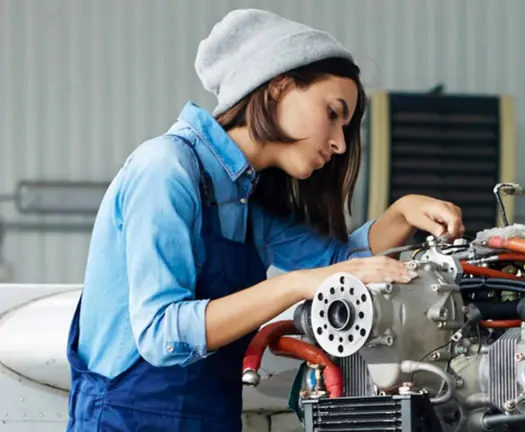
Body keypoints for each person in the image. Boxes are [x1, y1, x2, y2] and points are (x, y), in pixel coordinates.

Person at [65, 8, 465, 432]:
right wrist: (290, 285)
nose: (340, 144)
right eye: (333, 113)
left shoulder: (247, 202)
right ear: (278, 86)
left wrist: (402, 212)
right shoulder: (165, 169)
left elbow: (339, 261)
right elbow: (161, 332)